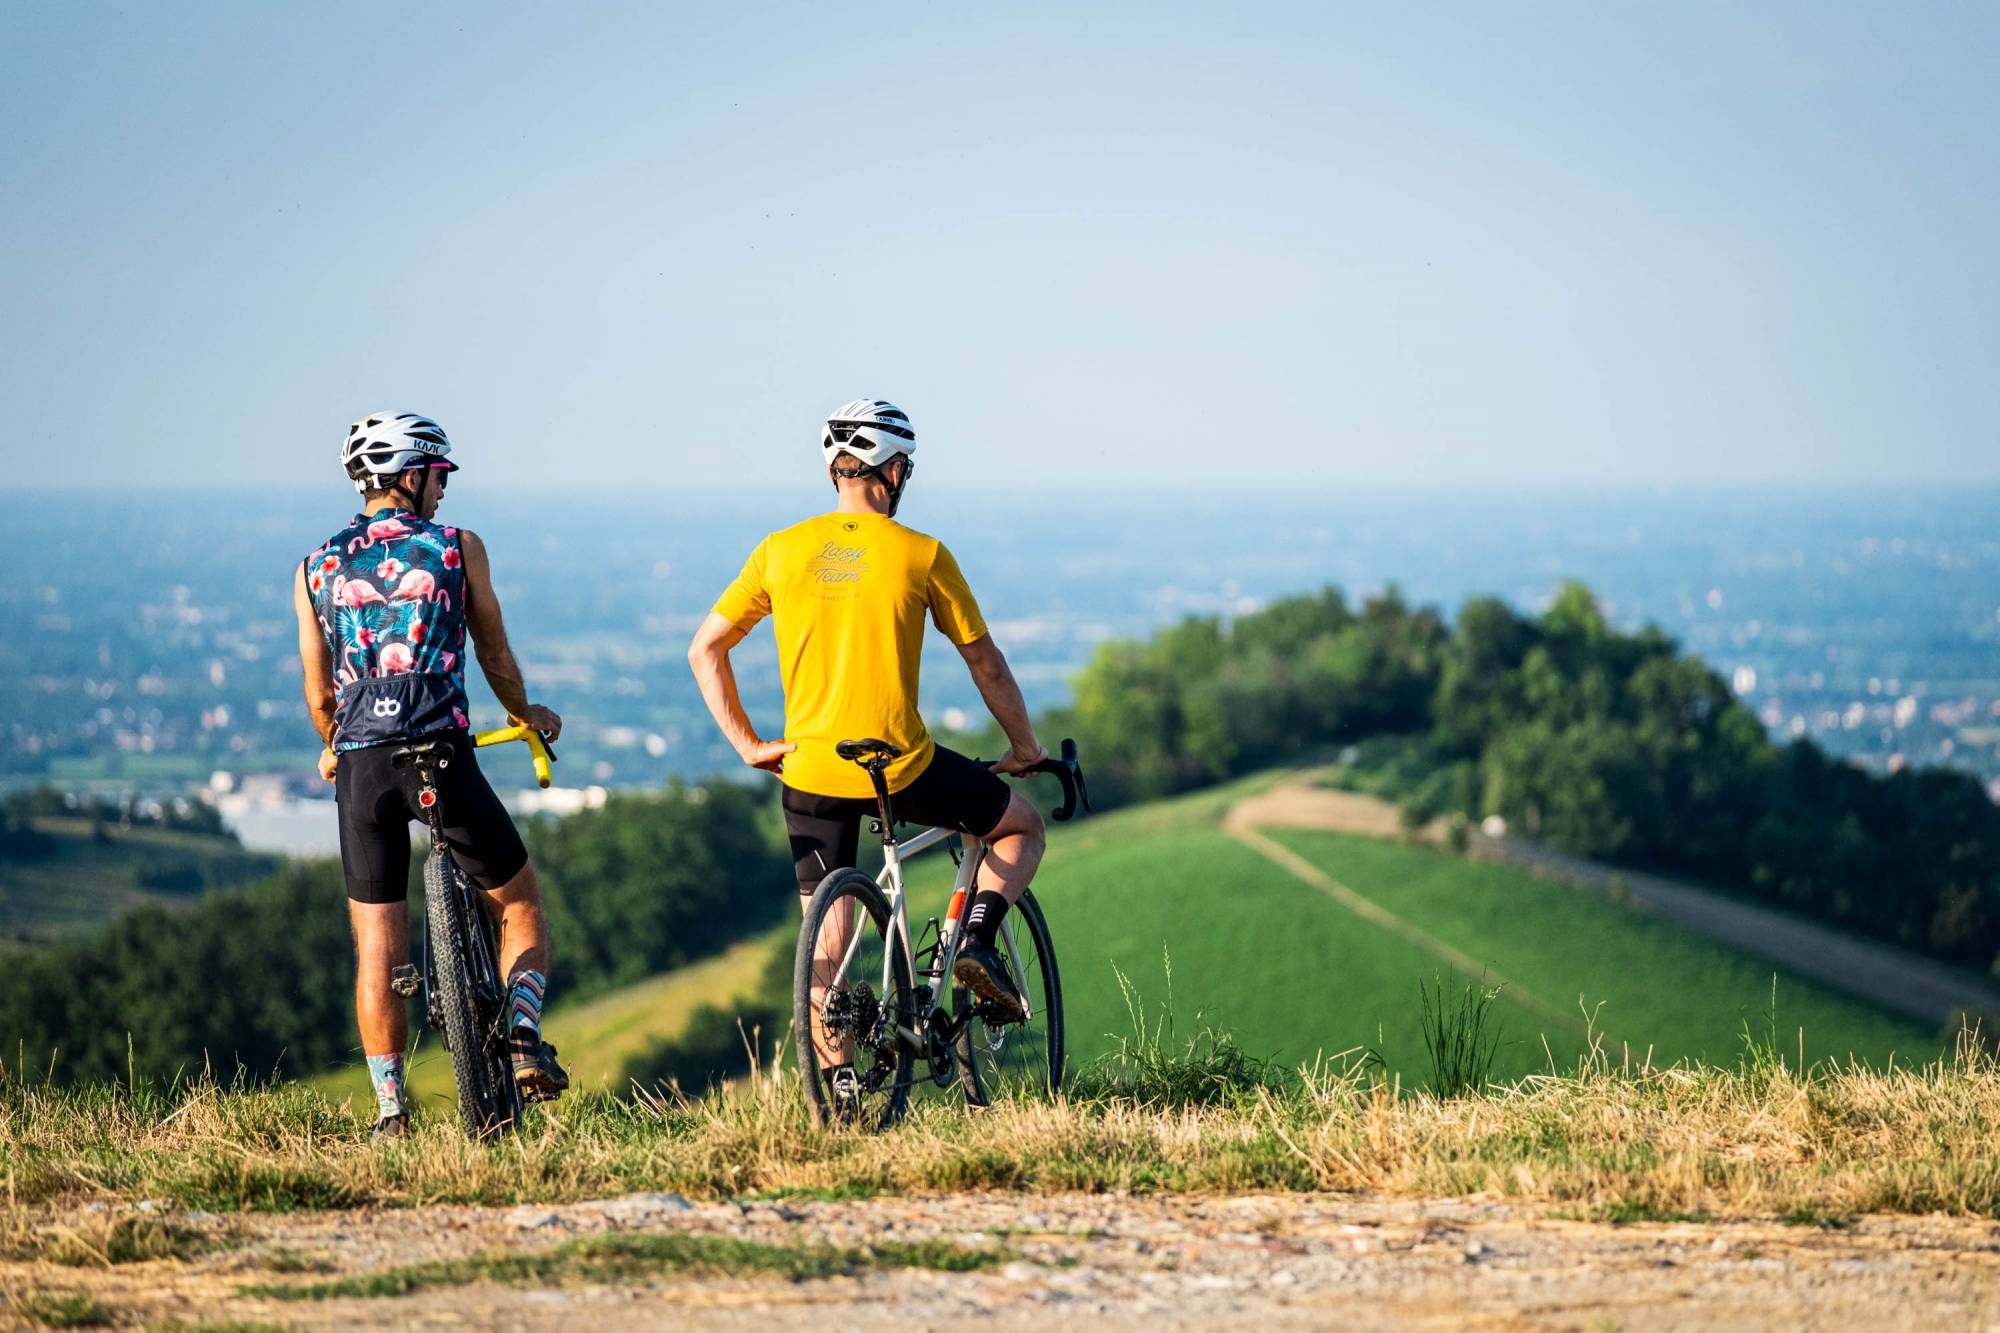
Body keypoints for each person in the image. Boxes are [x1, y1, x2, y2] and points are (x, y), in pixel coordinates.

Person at [688, 399, 1049, 1102]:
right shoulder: (922, 553)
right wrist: (1024, 745)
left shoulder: (779, 549)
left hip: (809, 769)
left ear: (836, 471)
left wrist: (749, 745)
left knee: (828, 938)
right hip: (902, 769)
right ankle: (977, 940)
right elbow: (986, 664)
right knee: (1021, 826)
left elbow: (706, 648)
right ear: (894, 471)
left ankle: (843, 1092)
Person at [292, 412, 568, 1139]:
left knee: (377, 947)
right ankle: (522, 1035)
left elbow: (319, 694)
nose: (443, 488)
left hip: (361, 768)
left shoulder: (315, 567)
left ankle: (390, 1111)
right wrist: (526, 712)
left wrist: (333, 743)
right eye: (439, 474)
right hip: (438, 754)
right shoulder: (455, 547)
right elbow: (493, 651)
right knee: (519, 903)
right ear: (410, 475)